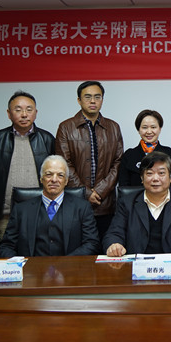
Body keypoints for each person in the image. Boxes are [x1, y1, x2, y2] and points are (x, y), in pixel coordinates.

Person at [56, 81, 123, 241]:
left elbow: (118, 162)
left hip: (105, 203)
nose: (93, 101)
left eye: (97, 97)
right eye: (88, 97)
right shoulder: (66, 127)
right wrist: (85, 193)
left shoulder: (113, 127)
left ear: (102, 100)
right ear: (79, 100)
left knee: (106, 248)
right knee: (78, 250)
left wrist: (100, 191)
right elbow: (64, 164)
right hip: (75, 203)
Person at [104, 151, 171, 256]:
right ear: (142, 178)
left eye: (161, 173)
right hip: (136, 263)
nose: (155, 179)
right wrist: (114, 244)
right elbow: (114, 233)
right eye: (149, 173)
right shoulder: (127, 203)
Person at [0, 90, 55, 234]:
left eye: (29, 109)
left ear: (36, 113)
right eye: (18, 110)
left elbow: (56, 174)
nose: (24, 114)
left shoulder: (47, 139)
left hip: (41, 213)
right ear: (9, 113)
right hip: (5, 215)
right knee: (4, 247)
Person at [0, 155, 100, 257]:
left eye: (60, 175)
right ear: (41, 178)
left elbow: (92, 243)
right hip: (32, 267)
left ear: (66, 181)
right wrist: (20, 264)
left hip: (69, 266)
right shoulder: (21, 210)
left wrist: (67, 263)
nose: (54, 180)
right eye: (49, 174)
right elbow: (6, 246)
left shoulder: (82, 208)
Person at [118, 109, 171, 187]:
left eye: (153, 127)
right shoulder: (129, 155)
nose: (149, 132)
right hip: (136, 195)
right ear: (138, 130)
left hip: (163, 195)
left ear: (160, 129)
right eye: (144, 127)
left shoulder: (168, 153)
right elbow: (124, 186)